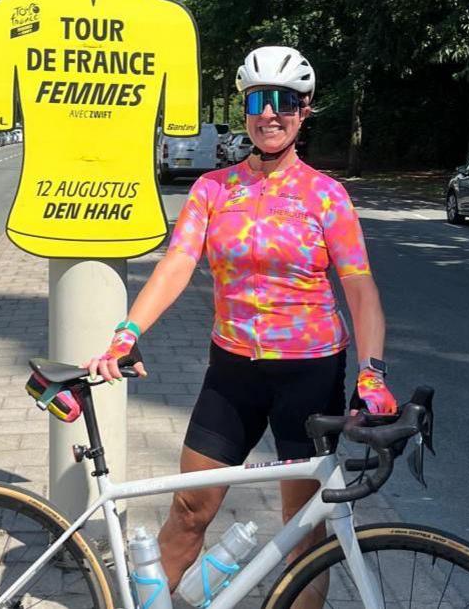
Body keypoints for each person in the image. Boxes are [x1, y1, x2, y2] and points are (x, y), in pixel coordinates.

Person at [84, 45, 394, 590]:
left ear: (305, 109)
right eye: (259, 100)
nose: (271, 113)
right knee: (188, 510)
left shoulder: (327, 196)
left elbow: (361, 292)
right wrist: (125, 334)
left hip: (310, 374)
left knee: (305, 534)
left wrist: (373, 373)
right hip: (232, 371)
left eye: (285, 101)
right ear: (244, 107)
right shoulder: (213, 189)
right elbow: (178, 262)